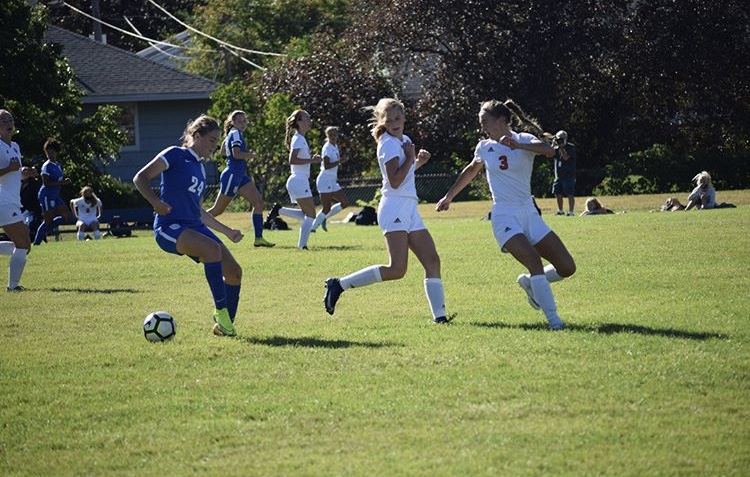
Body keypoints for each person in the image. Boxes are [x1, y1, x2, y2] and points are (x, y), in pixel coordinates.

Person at [436, 99, 576, 330]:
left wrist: (518, 146)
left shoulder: (523, 139)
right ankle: (554, 321)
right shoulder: (484, 146)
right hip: (504, 216)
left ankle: (530, 284)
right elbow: (471, 169)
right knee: (534, 261)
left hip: (530, 214)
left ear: (501, 121)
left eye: (485, 122)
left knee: (567, 267)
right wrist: (449, 197)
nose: (482, 127)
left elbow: (549, 151)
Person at [324, 98, 451, 324]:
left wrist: (417, 162)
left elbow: (404, 174)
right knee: (397, 269)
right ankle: (339, 284)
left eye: (398, 118)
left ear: (404, 118)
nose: (394, 122)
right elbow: (393, 181)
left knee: (432, 261)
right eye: (389, 119)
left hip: (408, 207)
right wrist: (411, 157)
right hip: (394, 207)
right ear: (382, 121)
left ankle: (440, 318)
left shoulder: (405, 140)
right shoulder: (388, 143)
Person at [133, 115, 244, 337]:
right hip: (169, 228)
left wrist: (227, 231)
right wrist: (156, 202)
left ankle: (224, 326)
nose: (215, 146)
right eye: (212, 140)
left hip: (194, 227)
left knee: (234, 273)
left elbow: (199, 212)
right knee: (212, 250)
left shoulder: (200, 169)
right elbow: (140, 178)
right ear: (196, 135)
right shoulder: (175, 154)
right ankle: (220, 310)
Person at [206, 110, 275, 248]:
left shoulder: (233, 134)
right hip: (232, 175)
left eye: (245, 121)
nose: (243, 124)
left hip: (240, 175)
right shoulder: (235, 133)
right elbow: (237, 154)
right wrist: (252, 155)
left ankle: (259, 238)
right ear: (233, 123)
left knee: (258, 202)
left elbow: (223, 152)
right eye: (240, 121)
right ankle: (191, 224)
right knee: (217, 210)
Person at [269, 109, 322, 249]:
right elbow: (292, 160)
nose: (310, 121)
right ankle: (301, 246)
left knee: (308, 214)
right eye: (306, 118)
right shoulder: (298, 138)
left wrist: (311, 160)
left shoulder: (301, 138)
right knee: (311, 215)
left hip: (299, 180)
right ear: (299, 122)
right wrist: (312, 160)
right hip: (298, 180)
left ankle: (279, 211)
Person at [0, 109, 30, 292]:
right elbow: (8, 171)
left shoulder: (16, 145)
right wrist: (10, 168)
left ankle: (13, 286)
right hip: (3, 201)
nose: (8, 122)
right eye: (3, 120)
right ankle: (12, 287)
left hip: (12, 200)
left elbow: (15, 174)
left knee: (23, 246)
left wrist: (24, 174)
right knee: (23, 245)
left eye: (10, 119)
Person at [310, 126, 350, 232]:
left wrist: (339, 164)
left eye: (334, 135)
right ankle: (313, 228)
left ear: (337, 135)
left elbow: (334, 163)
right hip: (325, 180)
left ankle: (323, 218)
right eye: (330, 135)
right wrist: (340, 161)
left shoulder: (335, 146)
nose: (332, 137)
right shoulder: (327, 147)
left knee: (345, 203)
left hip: (332, 180)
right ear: (327, 136)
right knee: (326, 208)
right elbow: (327, 165)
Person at [33, 137, 72, 245]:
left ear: (56, 152)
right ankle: (36, 243)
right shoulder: (46, 166)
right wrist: (63, 183)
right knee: (48, 221)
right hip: (46, 195)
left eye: (52, 152)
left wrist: (63, 182)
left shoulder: (58, 165)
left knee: (66, 216)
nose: (50, 155)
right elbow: (46, 183)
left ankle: (47, 229)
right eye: (47, 153)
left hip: (55, 195)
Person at [551, 130, 577, 216]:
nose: (560, 141)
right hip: (558, 175)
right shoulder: (556, 148)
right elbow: (549, 154)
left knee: (570, 193)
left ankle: (571, 212)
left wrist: (561, 147)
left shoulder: (570, 147)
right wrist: (552, 145)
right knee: (557, 193)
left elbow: (566, 158)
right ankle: (560, 210)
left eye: (561, 139)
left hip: (569, 175)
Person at [20, 166, 42, 237]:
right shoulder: (18, 183)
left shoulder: (33, 183)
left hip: (33, 208)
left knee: (33, 224)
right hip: (22, 208)